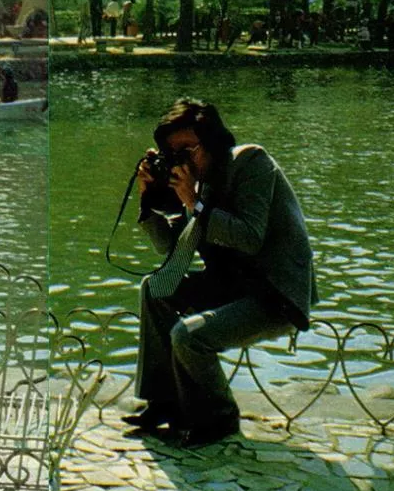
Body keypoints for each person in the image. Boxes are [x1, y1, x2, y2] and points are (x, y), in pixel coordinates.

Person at [126, 99, 318, 447]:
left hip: (274, 293)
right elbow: (168, 248)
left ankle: (220, 417)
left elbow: (250, 238)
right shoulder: (197, 182)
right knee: (156, 289)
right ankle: (163, 402)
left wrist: (194, 203)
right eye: (173, 153)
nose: (181, 161)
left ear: (212, 142)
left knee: (187, 335)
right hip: (232, 283)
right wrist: (148, 202)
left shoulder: (251, 163)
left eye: (187, 150)